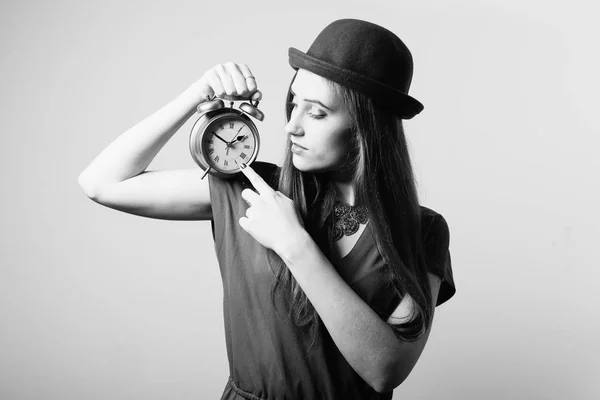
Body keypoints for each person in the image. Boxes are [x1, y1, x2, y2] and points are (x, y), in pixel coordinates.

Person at [78, 18, 455, 400]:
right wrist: (194, 96)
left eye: (317, 113)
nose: (291, 126)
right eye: (293, 104)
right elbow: (102, 183)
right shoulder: (250, 186)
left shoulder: (424, 230)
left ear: (366, 126)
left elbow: (384, 369)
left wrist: (295, 245)